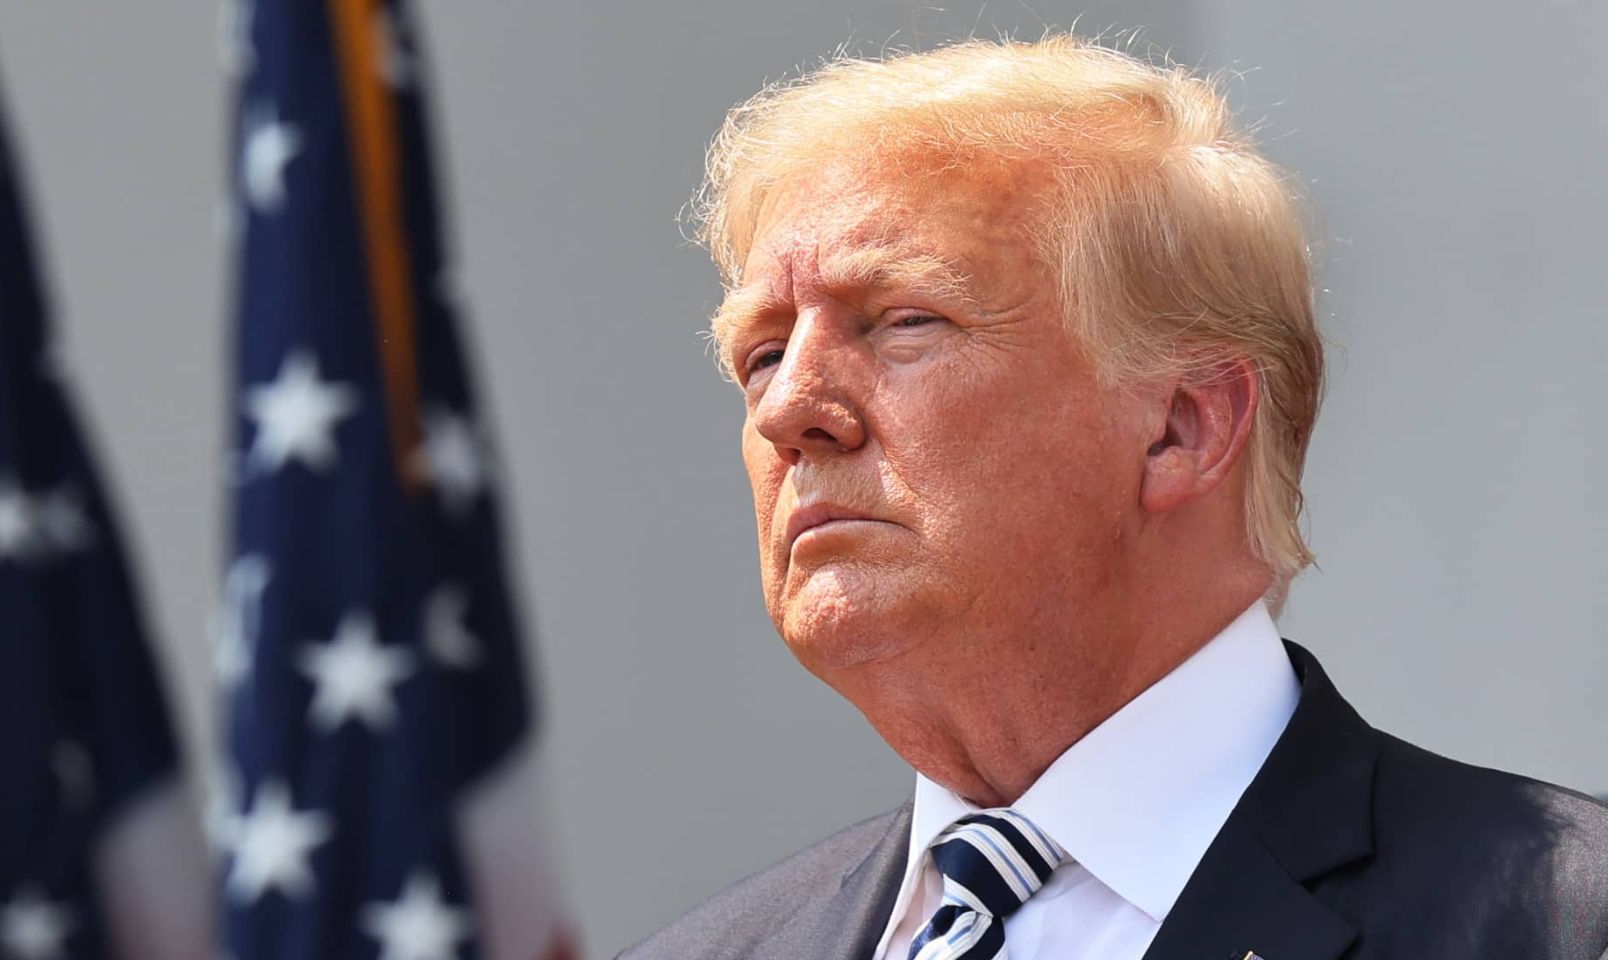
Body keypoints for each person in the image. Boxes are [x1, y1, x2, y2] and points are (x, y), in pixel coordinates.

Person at [621, 34, 1608, 960]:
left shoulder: (1561, 921)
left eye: (901, 321)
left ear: (1183, 427)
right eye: (760, 355)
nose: (788, 407)